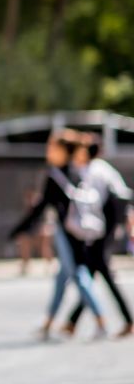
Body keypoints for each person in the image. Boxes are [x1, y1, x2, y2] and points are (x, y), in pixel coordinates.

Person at [8, 131, 108, 339]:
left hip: (66, 232)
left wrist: (19, 229)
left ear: (63, 151)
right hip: (80, 231)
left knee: (79, 275)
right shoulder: (78, 171)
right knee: (62, 278)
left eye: (52, 147)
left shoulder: (55, 176)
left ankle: (101, 320)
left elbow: (41, 207)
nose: (48, 152)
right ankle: (48, 323)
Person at [63, 135, 133, 337]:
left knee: (99, 271)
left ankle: (127, 320)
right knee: (94, 271)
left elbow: (91, 204)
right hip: (107, 227)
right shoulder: (105, 169)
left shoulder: (91, 171)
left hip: (101, 229)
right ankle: (73, 321)